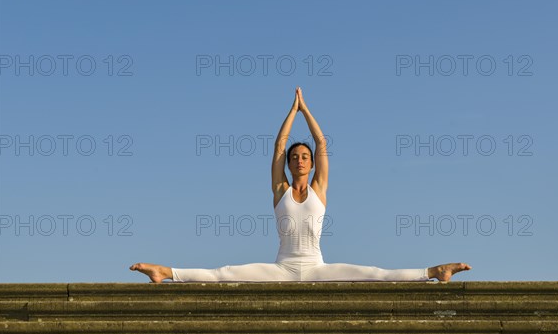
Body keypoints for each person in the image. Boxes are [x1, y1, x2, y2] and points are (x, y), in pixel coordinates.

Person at [130, 87, 471, 283]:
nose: (300, 159)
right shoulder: (280, 189)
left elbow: (322, 144)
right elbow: (278, 148)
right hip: (281, 267)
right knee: (224, 273)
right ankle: (165, 271)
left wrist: (306, 110)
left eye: (304, 156)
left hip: (317, 267)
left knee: (374, 273)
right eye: (296, 157)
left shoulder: (319, 188)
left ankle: (435, 270)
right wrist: (290, 113)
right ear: (290, 164)